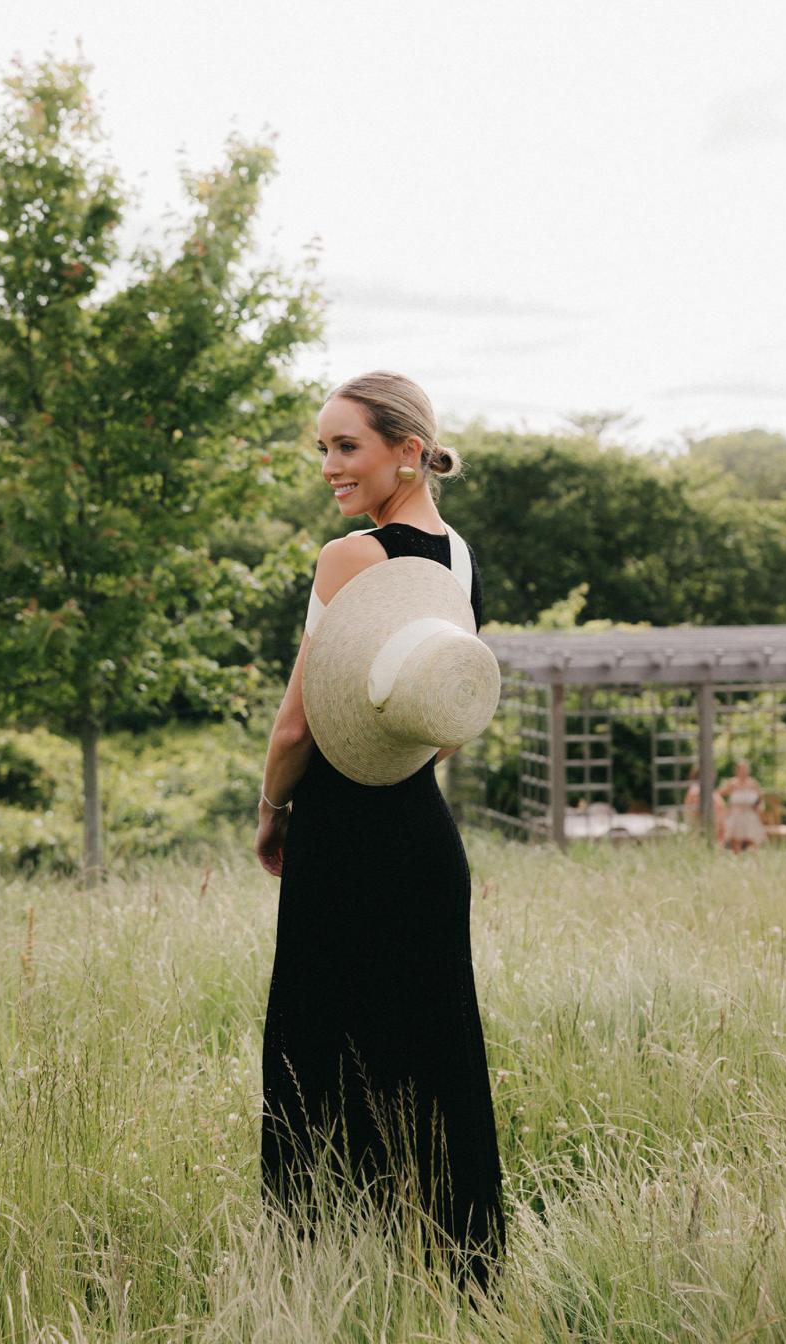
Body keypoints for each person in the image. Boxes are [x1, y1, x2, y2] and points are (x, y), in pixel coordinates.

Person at [254, 371, 505, 1296]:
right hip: (424, 835)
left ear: (407, 449)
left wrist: (273, 810)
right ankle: (461, 1271)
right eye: (322, 447)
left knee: (317, 1050)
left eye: (345, 445)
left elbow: (297, 723)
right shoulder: (459, 559)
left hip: (343, 834)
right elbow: (446, 718)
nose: (329, 466)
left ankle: (321, 1271)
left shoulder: (350, 558)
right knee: (433, 1049)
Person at [717, 759, 767, 853]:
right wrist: (724, 809)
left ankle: (756, 865)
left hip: (750, 815)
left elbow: (760, 799)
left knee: (753, 841)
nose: (743, 771)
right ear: (737, 770)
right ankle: (738, 863)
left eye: (745, 769)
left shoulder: (753, 783)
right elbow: (718, 795)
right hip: (736, 815)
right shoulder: (731, 783)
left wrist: (759, 808)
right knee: (736, 842)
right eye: (741, 769)